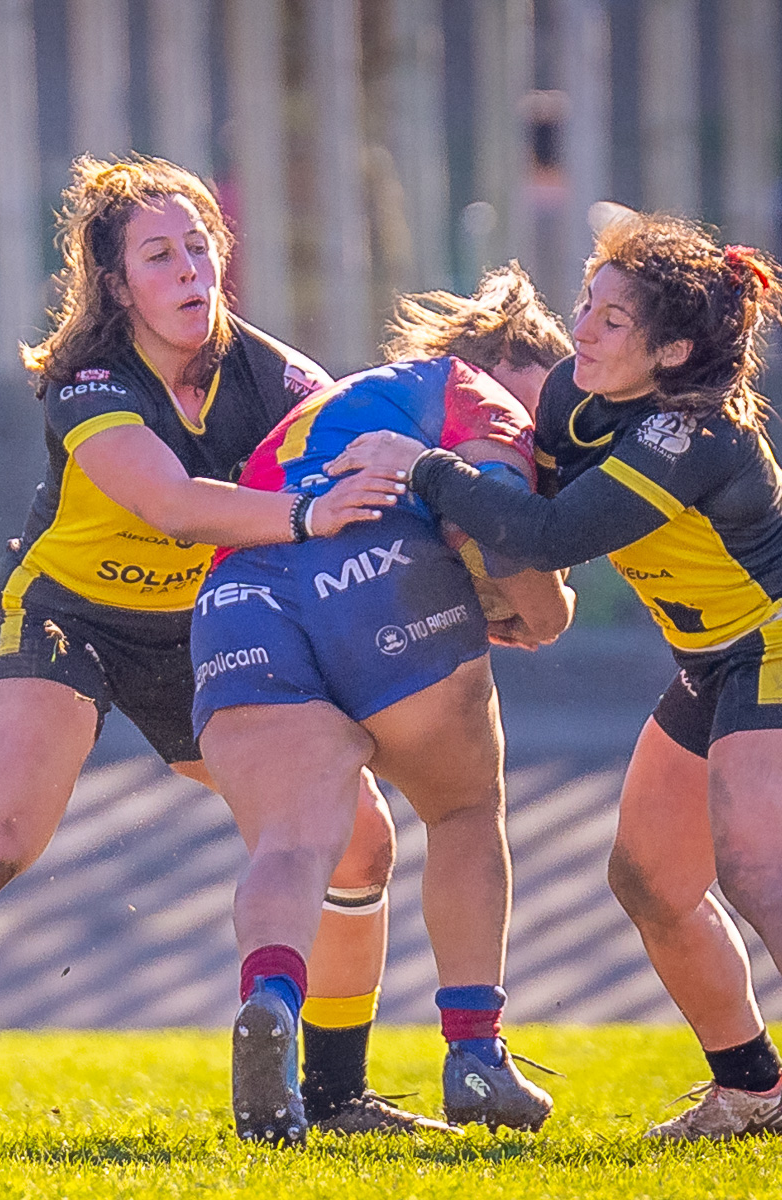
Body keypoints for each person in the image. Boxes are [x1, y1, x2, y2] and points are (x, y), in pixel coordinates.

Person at [0, 154, 422, 1139]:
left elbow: (372, 477)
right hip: (66, 617)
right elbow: (168, 504)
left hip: (203, 629)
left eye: (198, 248)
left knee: (359, 835)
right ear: (115, 284)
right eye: (158, 256)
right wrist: (312, 514)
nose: (188, 271)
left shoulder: (282, 382)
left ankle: (340, 1097)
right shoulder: (87, 379)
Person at [328, 213, 782, 1157]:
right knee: (649, 881)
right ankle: (750, 1089)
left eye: (614, 319)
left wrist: (426, 467)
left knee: (765, 870)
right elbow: (524, 511)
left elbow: (550, 534)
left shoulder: (691, 434)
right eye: (587, 306)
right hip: (716, 660)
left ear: (675, 349)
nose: (585, 331)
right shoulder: (578, 391)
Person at [193, 265, 576, 1144]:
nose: (556, 434)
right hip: (373, 579)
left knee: (297, 840)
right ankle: (476, 1056)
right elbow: (511, 536)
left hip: (235, 597)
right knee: (464, 808)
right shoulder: (476, 391)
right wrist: (544, 607)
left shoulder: (329, 407)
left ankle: (272, 998)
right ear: (518, 359)